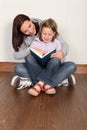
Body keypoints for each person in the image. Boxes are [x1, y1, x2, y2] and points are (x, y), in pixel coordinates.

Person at [11, 14, 76, 93]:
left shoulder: (46, 26)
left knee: (71, 65)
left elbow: (63, 44)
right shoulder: (24, 38)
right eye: (26, 31)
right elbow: (16, 55)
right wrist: (31, 50)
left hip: (51, 65)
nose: (30, 31)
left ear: (30, 20)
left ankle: (35, 83)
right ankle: (57, 80)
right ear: (22, 32)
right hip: (36, 66)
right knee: (18, 68)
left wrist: (63, 52)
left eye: (30, 26)